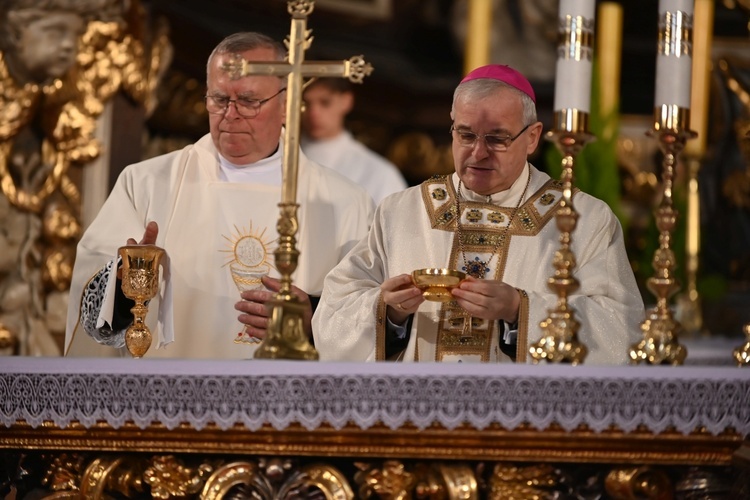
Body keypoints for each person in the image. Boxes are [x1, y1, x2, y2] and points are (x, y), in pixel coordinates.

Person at [63, 32, 374, 359]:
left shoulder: (345, 203)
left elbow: (368, 319)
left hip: (289, 400)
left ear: (286, 105)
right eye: (219, 99)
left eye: (249, 101)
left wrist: (312, 318)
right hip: (171, 399)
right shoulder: (146, 184)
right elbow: (93, 320)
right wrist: (125, 283)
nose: (231, 114)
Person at [312, 64, 644, 364]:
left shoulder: (582, 219)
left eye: (497, 139)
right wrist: (389, 311)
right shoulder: (401, 212)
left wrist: (519, 309)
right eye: (466, 134)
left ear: (532, 138)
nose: (478, 152)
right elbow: (334, 314)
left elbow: (619, 328)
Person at [301, 77, 408, 205]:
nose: (314, 113)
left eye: (325, 103)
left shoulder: (379, 174)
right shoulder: (280, 157)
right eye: (304, 103)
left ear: (346, 101)